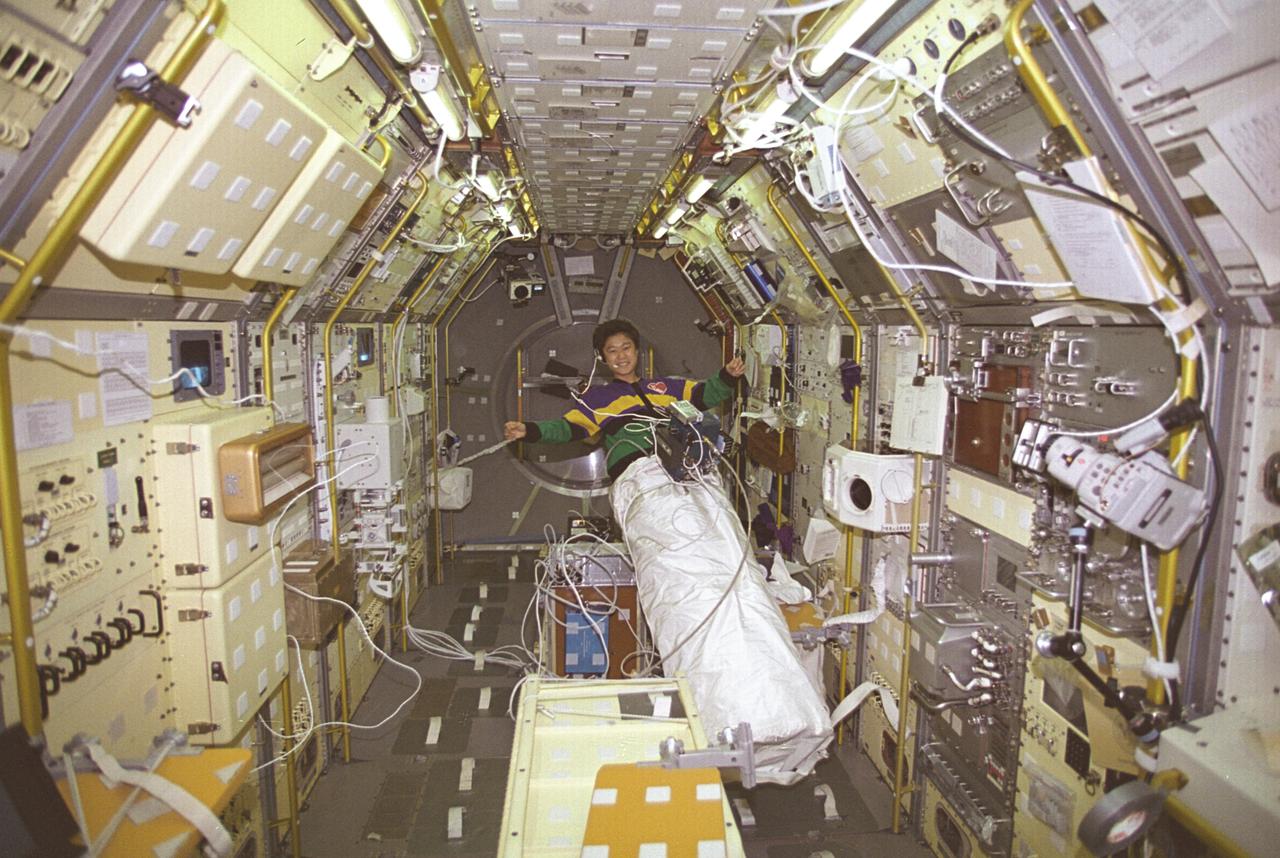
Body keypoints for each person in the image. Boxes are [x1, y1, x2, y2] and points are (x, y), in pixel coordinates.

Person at [503, 318, 745, 481]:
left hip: (682, 464)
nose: (621, 356)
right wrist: (529, 430)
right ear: (602, 358)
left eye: (626, 348)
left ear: (636, 350)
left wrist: (727, 376)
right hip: (636, 471)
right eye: (612, 350)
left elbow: (705, 395)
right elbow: (566, 429)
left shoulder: (668, 386)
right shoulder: (597, 399)